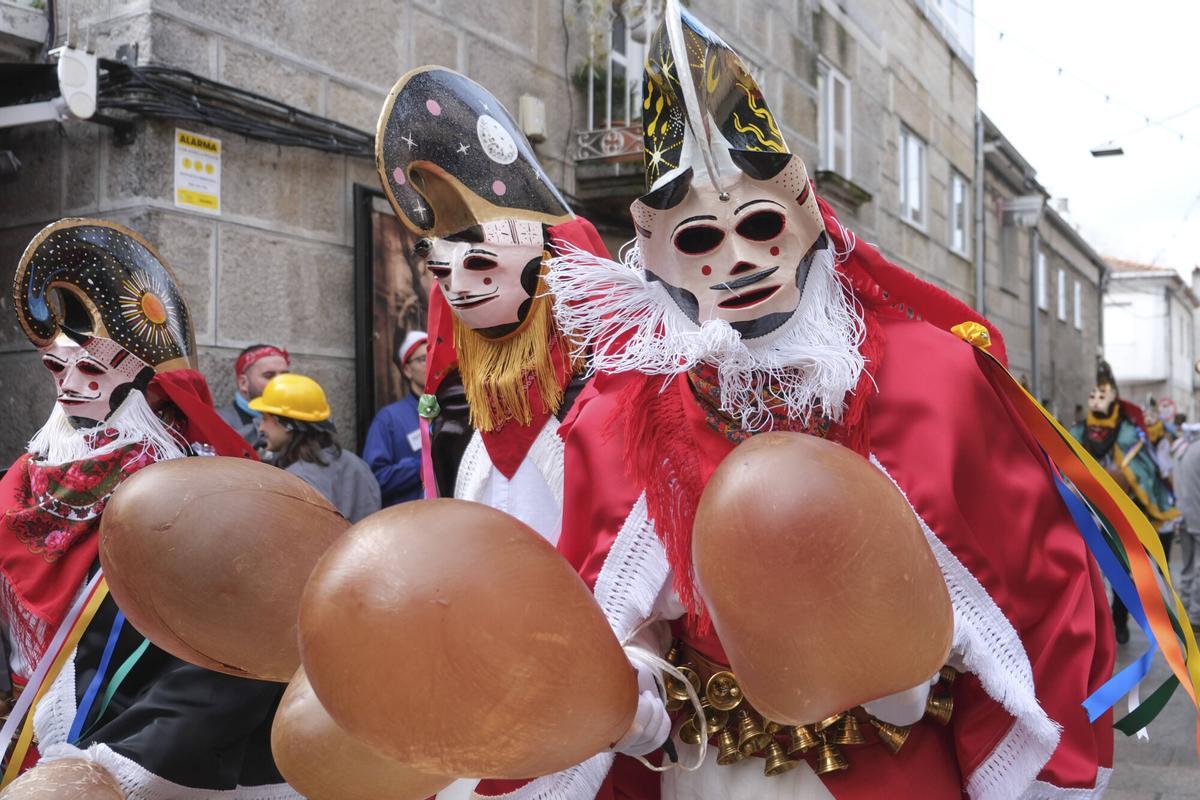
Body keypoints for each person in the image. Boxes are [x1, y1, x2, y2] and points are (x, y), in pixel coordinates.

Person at [520, 4, 1133, 796]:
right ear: (656, 249)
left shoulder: (930, 381)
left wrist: (912, 646)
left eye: (761, 223)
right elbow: (615, 605)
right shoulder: (624, 411)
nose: (737, 260)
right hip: (714, 772)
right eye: (701, 239)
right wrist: (634, 684)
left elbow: (1041, 598)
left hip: (890, 766)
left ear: (809, 218)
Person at [2, 219, 295, 797]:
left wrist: (120, 770)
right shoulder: (19, 484)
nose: (67, 386)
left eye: (91, 368)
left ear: (153, 384)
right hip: (25, 746)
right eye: (55, 367)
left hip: (145, 765)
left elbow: (236, 652)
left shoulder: (211, 492)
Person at [375, 65, 613, 544]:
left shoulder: (600, 407)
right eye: (442, 273)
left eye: (481, 263)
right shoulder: (456, 418)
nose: (458, 289)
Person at [1070, 362, 1179, 643]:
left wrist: (1122, 479)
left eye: (1103, 396)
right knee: (1088, 574)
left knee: (1121, 572)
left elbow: (1144, 471)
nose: (1097, 401)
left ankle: (1119, 621)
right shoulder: (1079, 431)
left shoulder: (1129, 432)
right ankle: (1092, 625)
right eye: (1094, 396)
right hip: (1084, 514)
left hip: (1119, 517)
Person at [252, 373, 381, 523]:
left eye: (265, 418)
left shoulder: (295, 481)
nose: (261, 428)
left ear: (286, 424)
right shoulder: (357, 464)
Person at [362, 330, 428, 506]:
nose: (431, 364)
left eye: (434, 356)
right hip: (408, 522)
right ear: (407, 370)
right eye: (423, 359)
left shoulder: (450, 412)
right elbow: (375, 480)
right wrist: (424, 464)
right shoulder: (388, 419)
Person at [216, 343, 291, 447]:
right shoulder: (218, 422)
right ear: (243, 383)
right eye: (269, 376)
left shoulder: (297, 418)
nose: (280, 382)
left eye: (285, 376)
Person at [1172, 423, 1200, 626]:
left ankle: (1185, 612)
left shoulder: (1180, 449)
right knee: (1198, 567)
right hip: (1198, 516)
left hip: (1182, 515)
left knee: (1187, 567)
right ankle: (1196, 615)